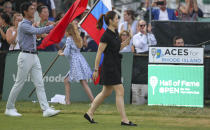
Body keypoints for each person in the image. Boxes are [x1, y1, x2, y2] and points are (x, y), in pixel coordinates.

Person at [5, 2, 60, 117]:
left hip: (34, 56)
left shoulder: (29, 24)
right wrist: (52, 26)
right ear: (25, 12)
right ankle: (9, 108)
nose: (33, 11)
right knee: (19, 83)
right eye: (31, 9)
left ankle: (46, 110)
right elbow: (37, 32)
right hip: (25, 56)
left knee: (39, 83)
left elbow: (37, 34)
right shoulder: (23, 24)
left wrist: (53, 26)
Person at [83, 11, 137, 126]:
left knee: (105, 92)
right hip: (109, 67)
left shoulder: (115, 33)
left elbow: (118, 47)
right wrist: (96, 69)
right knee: (120, 90)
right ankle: (124, 120)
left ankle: (90, 113)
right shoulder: (106, 35)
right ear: (111, 21)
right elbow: (99, 52)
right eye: (117, 19)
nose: (118, 20)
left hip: (115, 65)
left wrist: (128, 40)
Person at [58, 23, 94, 105]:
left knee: (83, 82)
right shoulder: (77, 38)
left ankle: (93, 101)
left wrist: (60, 53)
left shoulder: (69, 39)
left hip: (75, 62)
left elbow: (66, 53)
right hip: (80, 59)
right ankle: (67, 101)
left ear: (68, 31)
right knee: (67, 80)